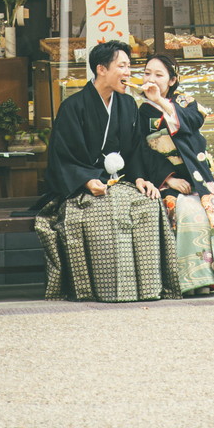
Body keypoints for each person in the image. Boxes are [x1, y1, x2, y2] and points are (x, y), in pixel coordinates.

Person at [35, 39, 178, 301]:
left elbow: (135, 150)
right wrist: (88, 181)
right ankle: (107, 289)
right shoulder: (73, 106)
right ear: (101, 69)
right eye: (122, 66)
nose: (128, 72)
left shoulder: (126, 105)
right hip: (82, 187)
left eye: (129, 66)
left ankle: (148, 287)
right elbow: (62, 157)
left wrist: (141, 179)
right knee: (107, 213)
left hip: (119, 183)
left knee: (149, 205)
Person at [138, 52, 214, 295]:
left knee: (210, 210)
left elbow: (193, 121)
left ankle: (208, 278)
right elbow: (141, 151)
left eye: (159, 74)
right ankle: (185, 280)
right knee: (184, 211)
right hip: (165, 180)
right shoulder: (140, 110)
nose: (151, 78)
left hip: (197, 178)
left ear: (172, 80)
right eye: (147, 73)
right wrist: (168, 178)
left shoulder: (184, 102)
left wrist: (161, 102)